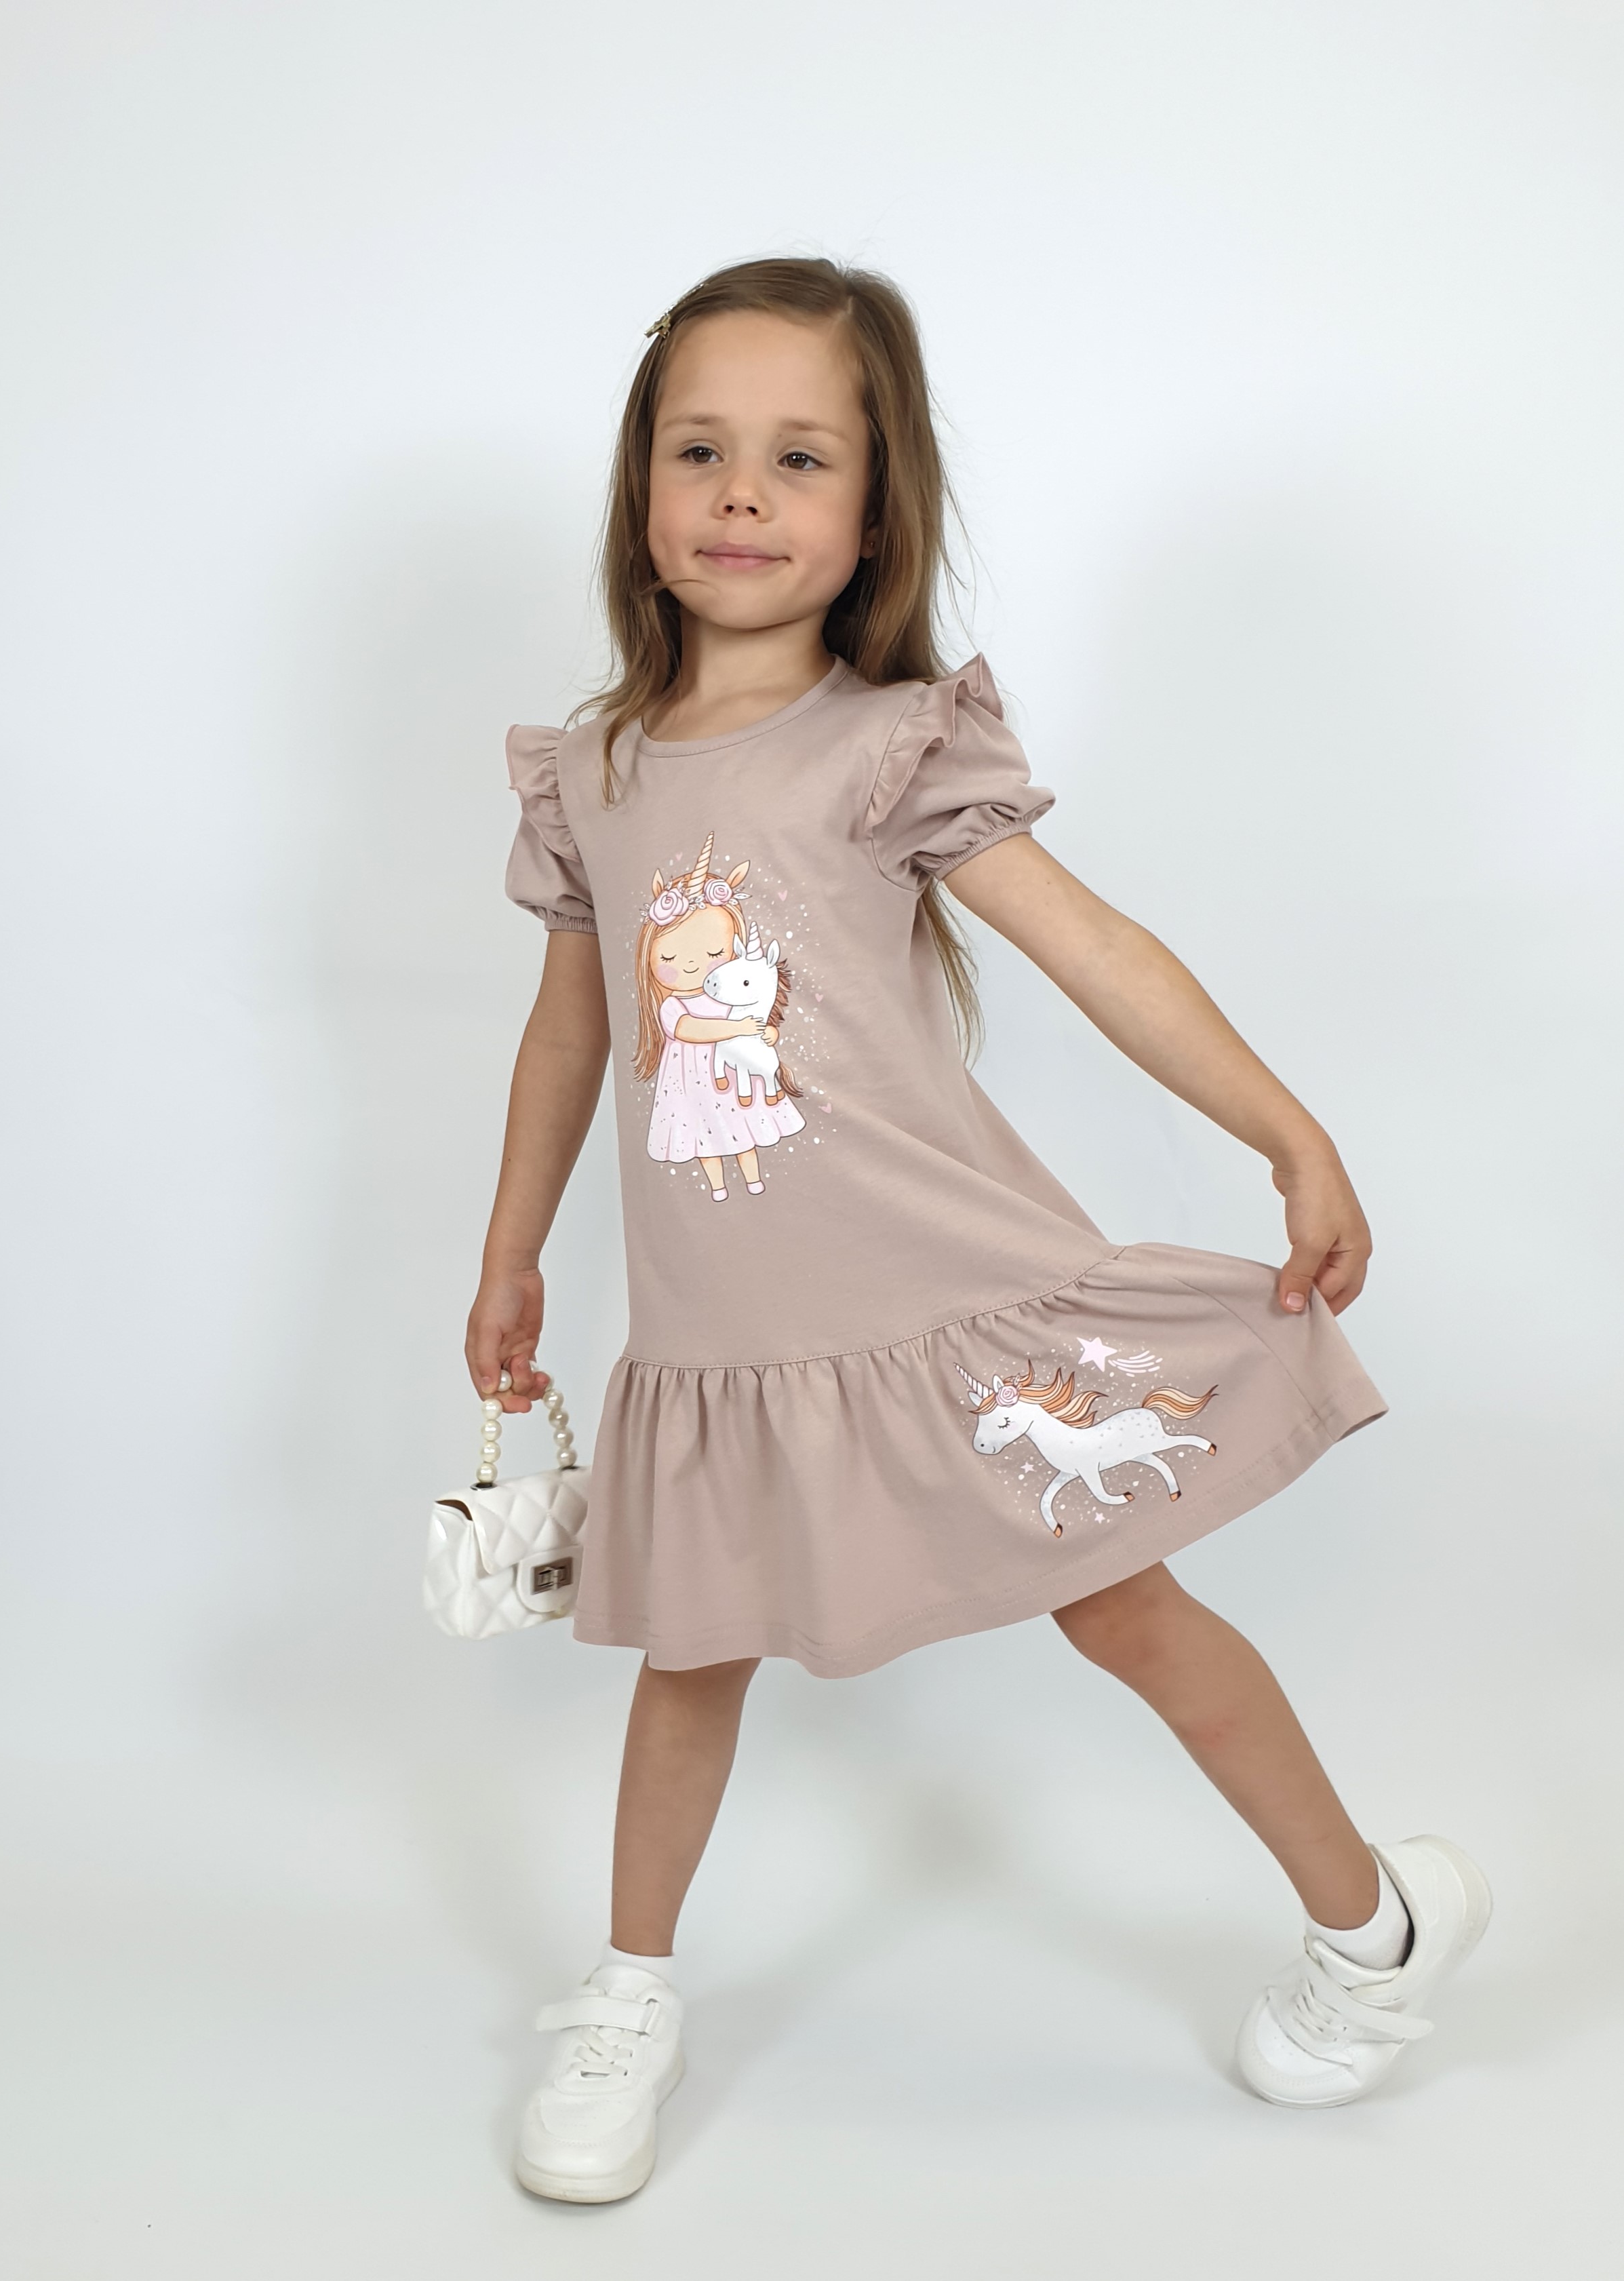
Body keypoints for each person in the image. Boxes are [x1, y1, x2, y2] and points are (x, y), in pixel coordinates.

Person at [467, 257, 1490, 2204]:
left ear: (875, 511)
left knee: (1128, 1610)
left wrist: (1289, 1130)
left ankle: (1374, 1928)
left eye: (799, 457)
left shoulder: (888, 744)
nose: (742, 493)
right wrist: (511, 1250)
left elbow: (1099, 951)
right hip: (725, 1339)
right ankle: (629, 1993)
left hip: (948, 1300)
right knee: (691, 1655)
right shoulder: (592, 771)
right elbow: (569, 1034)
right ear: (640, 488)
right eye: (699, 450)